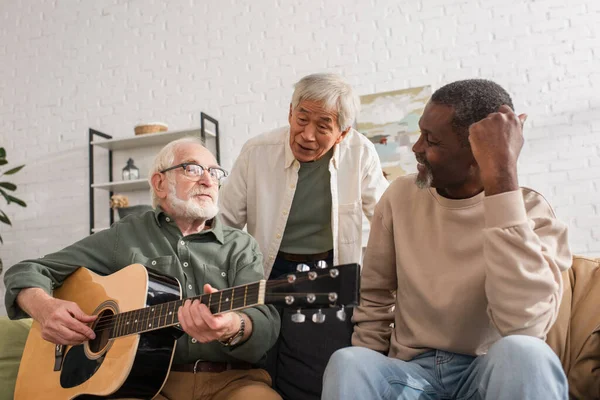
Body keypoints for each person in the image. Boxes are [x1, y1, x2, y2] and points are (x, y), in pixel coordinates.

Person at [322, 79, 572, 400]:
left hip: (488, 372)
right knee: (349, 362)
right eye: (420, 133)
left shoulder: (530, 210)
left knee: (526, 353)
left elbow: (524, 326)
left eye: (432, 141)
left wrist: (502, 178)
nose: (416, 148)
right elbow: (375, 296)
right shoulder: (400, 197)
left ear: (477, 153)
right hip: (413, 373)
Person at [4, 137, 282, 400]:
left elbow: (265, 322)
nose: (208, 180)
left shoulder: (241, 245)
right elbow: (27, 270)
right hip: (145, 387)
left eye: (215, 172)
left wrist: (233, 326)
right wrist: (44, 307)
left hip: (233, 383)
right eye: (193, 169)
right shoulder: (125, 236)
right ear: (160, 183)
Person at [219, 72, 389, 399]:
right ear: (289, 113)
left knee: (316, 375)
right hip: (267, 271)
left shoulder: (361, 153)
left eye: (323, 126)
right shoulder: (257, 152)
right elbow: (224, 224)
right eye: (302, 119)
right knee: (262, 367)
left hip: (329, 273)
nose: (307, 135)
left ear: (342, 133)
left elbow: (386, 221)